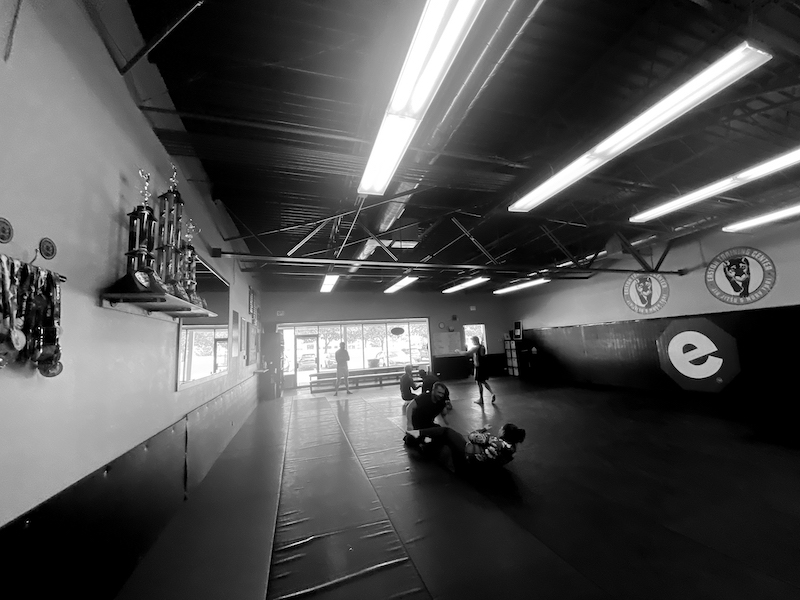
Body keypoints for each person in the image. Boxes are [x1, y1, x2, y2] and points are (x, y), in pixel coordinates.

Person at [406, 423, 526, 474]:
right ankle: (423, 443)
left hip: (465, 458)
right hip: (477, 469)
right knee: (446, 440)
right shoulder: (511, 451)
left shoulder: (495, 441)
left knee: (446, 432)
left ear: (504, 432)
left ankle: (413, 435)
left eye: (501, 428)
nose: (499, 430)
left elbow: (472, 436)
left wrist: (483, 429)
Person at [404, 382, 450, 451]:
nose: (441, 395)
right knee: (410, 440)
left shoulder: (441, 402)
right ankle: (420, 440)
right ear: (433, 390)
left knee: (441, 434)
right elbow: (409, 407)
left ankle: (425, 441)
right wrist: (409, 424)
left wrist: (447, 424)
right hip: (417, 426)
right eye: (439, 392)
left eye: (442, 394)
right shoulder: (424, 398)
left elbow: (444, 414)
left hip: (428, 425)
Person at [463, 336, 496, 405]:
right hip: (483, 367)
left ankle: (481, 399)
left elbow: (467, 353)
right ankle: (491, 393)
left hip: (478, 367)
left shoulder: (476, 348)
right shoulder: (482, 347)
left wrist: (458, 351)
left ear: (475, 341)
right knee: (483, 381)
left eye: (472, 341)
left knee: (479, 383)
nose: (472, 342)